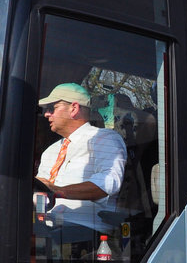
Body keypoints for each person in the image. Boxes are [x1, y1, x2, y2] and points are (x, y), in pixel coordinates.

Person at [34, 82, 127, 240]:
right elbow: (39, 190)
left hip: (88, 235)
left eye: (52, 108)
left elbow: (109, 184)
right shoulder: (51, 151)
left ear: (74, 108)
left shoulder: (104, 138)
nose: (46, 114)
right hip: (47, 229)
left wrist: (56, 191)